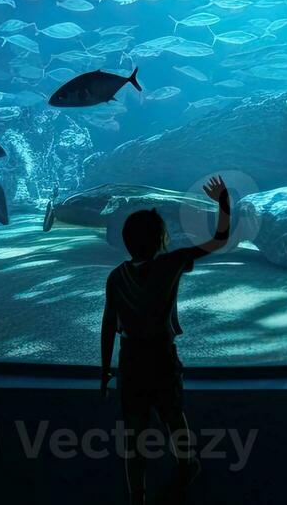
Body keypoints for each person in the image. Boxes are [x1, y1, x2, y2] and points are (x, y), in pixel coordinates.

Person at [100, 176, 231, 504]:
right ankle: (187, 465)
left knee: (133, 433)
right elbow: (219, 240)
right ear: (161, 239)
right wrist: (224, 202)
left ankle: (137, 495)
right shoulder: (171, 263)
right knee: (173, 415)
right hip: (161, 356)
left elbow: (107, 324)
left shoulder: (116, 276)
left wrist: (105, 368)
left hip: (129, 360)